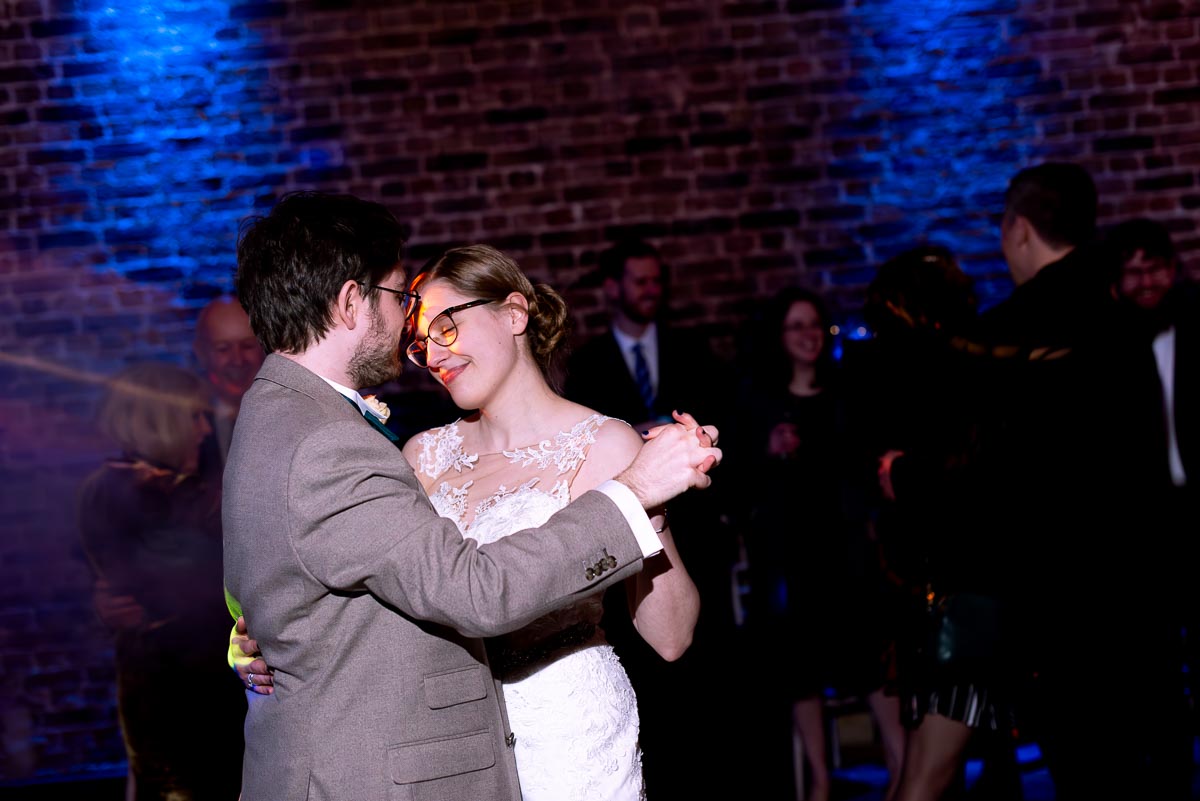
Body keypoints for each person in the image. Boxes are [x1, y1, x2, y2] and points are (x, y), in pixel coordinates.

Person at [222, 191, 720, 801]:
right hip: (453, 753)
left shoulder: (608, 442)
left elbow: (670, 638)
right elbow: (453, 589)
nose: (431, 352)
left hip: (569, 737)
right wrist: (271, 637)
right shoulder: (415, 455)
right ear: (352, 302)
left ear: (514, 313)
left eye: (445, 324)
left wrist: (650, 499)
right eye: (417, 334)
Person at [976, 164, 1186, 800]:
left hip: (1059, 611)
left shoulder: (1006, 334)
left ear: (1018, 229)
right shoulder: (1128, 323)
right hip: (1142, 599)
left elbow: (996, 481)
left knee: (1089, 773)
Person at [563, 237, 740, 799]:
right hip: (625, 545)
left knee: (705, 678)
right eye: (638, 280)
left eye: (656, 280)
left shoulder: (694, 351)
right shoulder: (587, 363)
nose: (650, 290)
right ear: (613, 287)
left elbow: (723, 426)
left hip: (695, 535)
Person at [733, 287, 905, 801]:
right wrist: (769, 448)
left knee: (868, 658)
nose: (809, 336)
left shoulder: (848, 390)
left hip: (846, 545)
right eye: (797, 326)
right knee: (799, 667)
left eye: (815, 326)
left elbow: (865, 468)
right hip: (791, 550)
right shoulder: (761, 400)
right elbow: (742, 482)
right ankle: (819, 780)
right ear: (780, 338)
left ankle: (901, 764)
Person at [77, 361, 245, 800]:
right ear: (159, 421)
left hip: (180, 686)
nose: (204, 432)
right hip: (180, 695)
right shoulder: (133, 491)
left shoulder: (145, 489)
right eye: (194, 417)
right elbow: (193, 584)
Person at [192, 295, 265, 465]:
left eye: (247, 346)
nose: (237, 360)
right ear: (201, 353)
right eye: (223, 349)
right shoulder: (188, 421)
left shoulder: (288, 411)